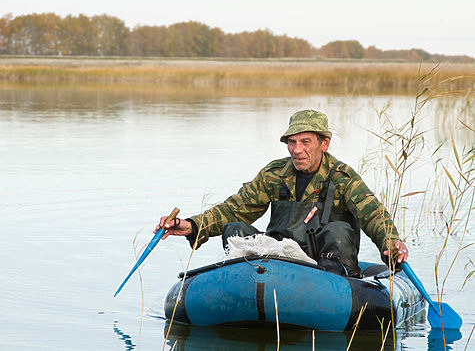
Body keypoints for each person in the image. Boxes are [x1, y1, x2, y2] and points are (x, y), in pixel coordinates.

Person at [154, 109, 408, 277]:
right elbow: (235, 207)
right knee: (234, 228)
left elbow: (374, 215)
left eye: (305, 142)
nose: (297, 150)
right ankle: (247, 286)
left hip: (324, 268)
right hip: (278, 260)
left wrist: (390, 243)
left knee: (339, 230)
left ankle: (329, 287)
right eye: (291, 142)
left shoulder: (342, 177)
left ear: (324, 143)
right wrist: (192, 224)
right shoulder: (274, 174)